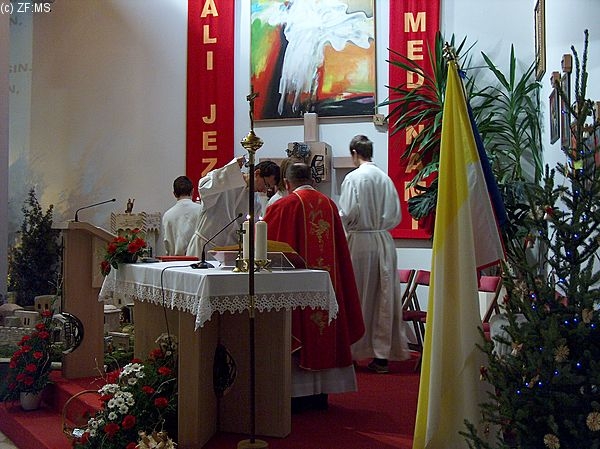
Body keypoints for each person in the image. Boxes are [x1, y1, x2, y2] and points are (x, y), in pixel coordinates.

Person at [263, 163, 365, 411]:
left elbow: (267, 249)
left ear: (287, 183)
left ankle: (297, 395)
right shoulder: (329, 205)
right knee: (325, 327)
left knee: (298, 327)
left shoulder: (283, 206)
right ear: (312, 180)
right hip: (328, 287)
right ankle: (320, 394)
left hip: (296, 291)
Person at [338, 135, 411, 373]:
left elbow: (347, 212)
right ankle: (381, 356)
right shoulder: (384, 178)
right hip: (384, 242)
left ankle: (353, 352)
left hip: (361, 242)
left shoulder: (354, 178)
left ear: (354, 153)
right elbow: (396, 213)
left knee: (358, 296)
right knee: (383, 298)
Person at [186, 156, 280, 256]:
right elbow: (204, 188)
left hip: (228, 252)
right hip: (204, 247)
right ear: (257, 173)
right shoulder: (227, 180)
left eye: (269, 188)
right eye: (266, 185)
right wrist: (230, 169)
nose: (265, 191)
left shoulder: (255, 201)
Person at [162, 176, 203, 256]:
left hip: (175, 261)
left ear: (174, 194)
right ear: (192, 191)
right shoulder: (201, 210)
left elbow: (167, 243)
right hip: (197, 259)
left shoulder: (167, 215)